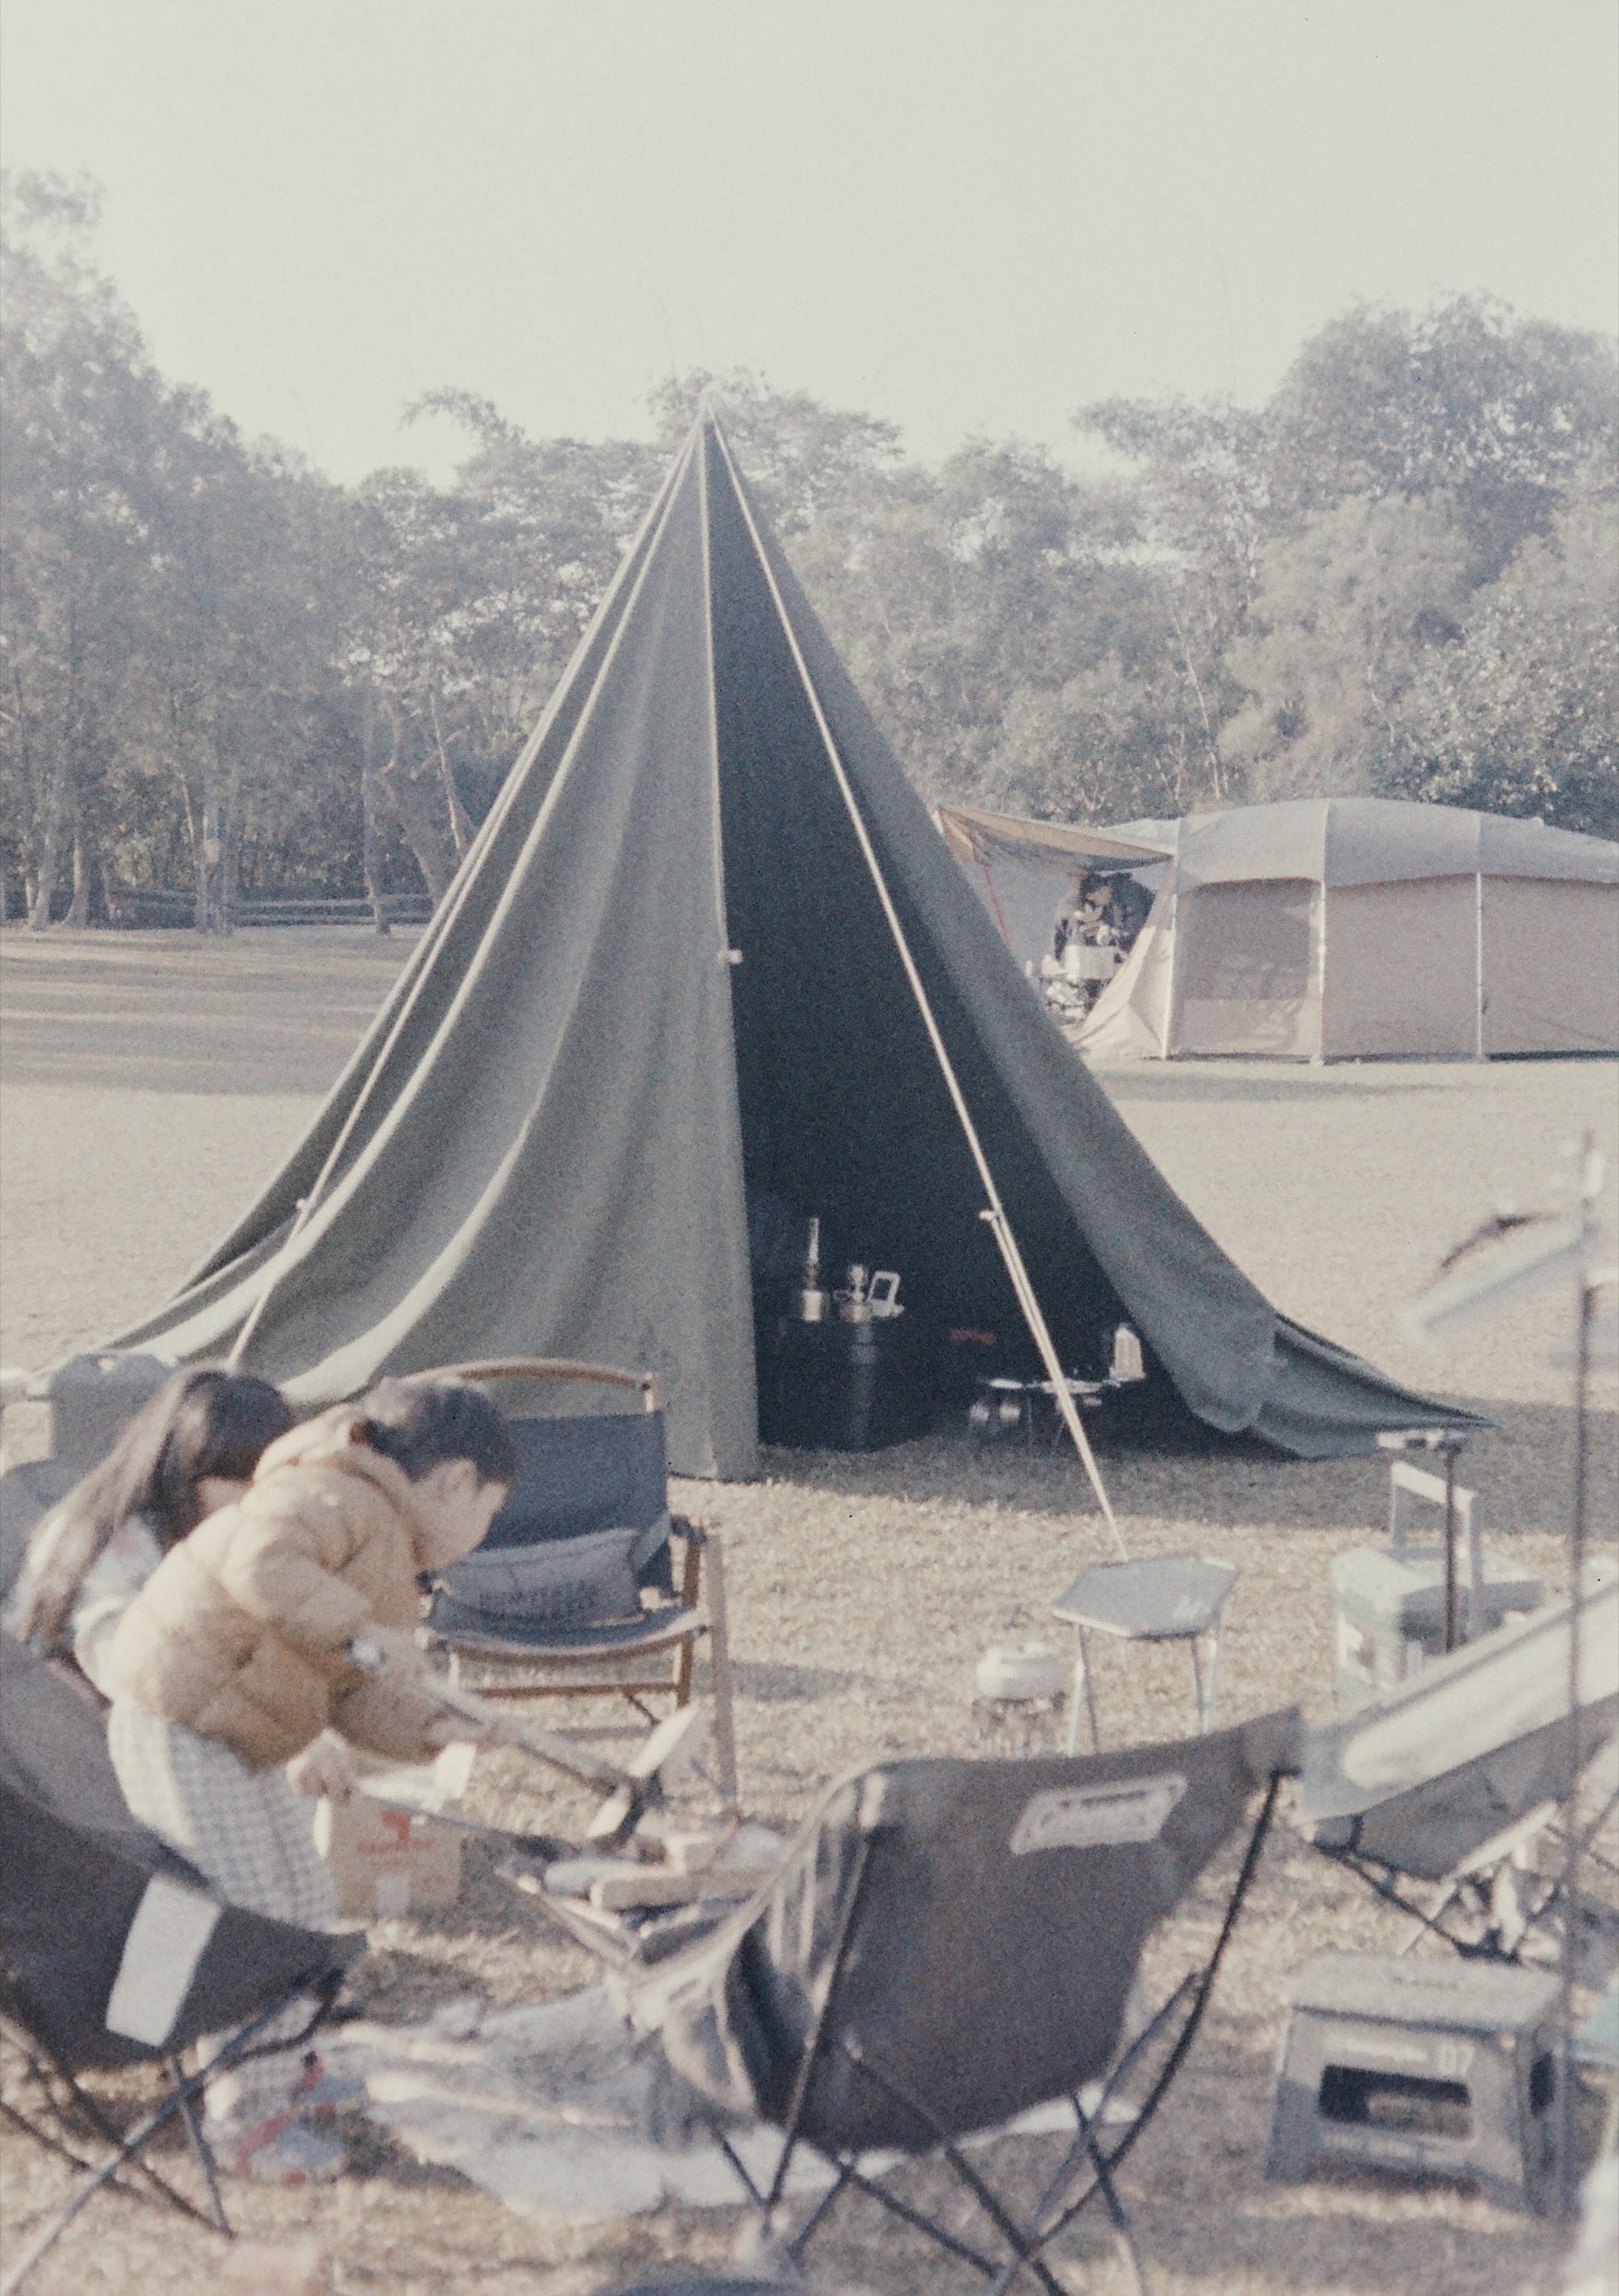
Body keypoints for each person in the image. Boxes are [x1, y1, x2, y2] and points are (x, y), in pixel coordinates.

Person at [101, 1374, 518, 2185]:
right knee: (255, 1919)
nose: (483, 1533)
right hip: (178, 1720)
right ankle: (247, 2118)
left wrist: (433, 1727)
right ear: (453, 1481)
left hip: (242, 1734)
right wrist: (362, 1635)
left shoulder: (387, 1549)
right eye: (489, 1513)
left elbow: (355, 1695)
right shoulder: (334, 1492)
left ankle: (292, 2063)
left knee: (301, 1897)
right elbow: (261, 1565)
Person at [8, 1366, 295, 1701]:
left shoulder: (224, 1529)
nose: (263, 1496)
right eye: (245, 1479)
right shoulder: (112, 1545)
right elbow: (134, 1681)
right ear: (186, 1471)